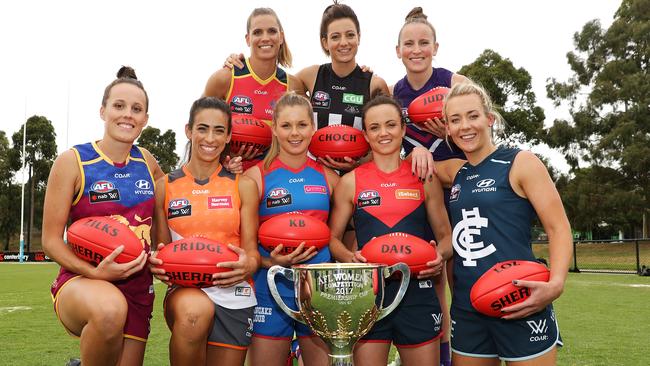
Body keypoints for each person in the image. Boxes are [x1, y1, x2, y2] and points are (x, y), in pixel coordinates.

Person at [433, 81, 571, 365]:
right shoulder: (456, 172)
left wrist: (556, 283)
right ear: (446, 128)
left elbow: (558, 228)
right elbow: (415, 166)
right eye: (455, 120)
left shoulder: (521, 162)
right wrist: (420, 153)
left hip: (521, 298)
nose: (465, 126)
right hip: (468, 305)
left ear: (489, 119)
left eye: (473, 116)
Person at [42, 66, 163, 366]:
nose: (127, 115)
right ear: (103, 111)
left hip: (137, 286)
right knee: (109, 310)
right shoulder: (73, 161)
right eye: (118, 106)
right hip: (83, 280)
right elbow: (50, 241)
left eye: (136, 109)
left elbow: (184, 187)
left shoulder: (147, 161)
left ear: (145, 120)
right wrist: (96, 273)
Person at [329, 95, 453, 366]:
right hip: (368, 295)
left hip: (418, 293)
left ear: (403, 128)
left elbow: (446, 237)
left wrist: (438, 256)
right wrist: (352, 259)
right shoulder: (350, 182)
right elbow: (333, 239)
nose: (383, 133)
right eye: (374, 127)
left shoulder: (424, 176)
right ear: (366, 134)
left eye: (390, 125)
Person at [150, 97, 260, 366]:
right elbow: (162, 251)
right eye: (202, 128)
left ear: (229, 136)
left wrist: (248, 264)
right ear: (189, 131)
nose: (210, 138)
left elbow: (252, 254)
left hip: (233, 291)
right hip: (187, 290)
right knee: (193, 314)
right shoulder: (165, 186)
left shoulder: (243, 186)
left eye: (219, 130)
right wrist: (157, 264)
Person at [225, 2, 391, 173]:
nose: (343, 42)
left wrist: (359, 164)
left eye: (350, 35)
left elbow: (388, 140)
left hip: (356, 179)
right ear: (325, 42)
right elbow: (270, 83)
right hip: (315, 179)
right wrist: (235, 63)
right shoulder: (309, 77)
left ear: (359, 37)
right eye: (335, 37)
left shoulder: (374, 84)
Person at [391, 8, 469, 365]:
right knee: (432, 277)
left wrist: (449, 131)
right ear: (398, 50)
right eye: (409, 43)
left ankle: (468, 351)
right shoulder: (396, 92)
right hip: (420, 195)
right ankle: (439, 356)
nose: (416, 49)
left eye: (424, 42)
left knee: (461, 282)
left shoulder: (454, 82)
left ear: (436, 46)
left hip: (459, 191)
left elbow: (486, 128)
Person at [244, 93, 339, 366]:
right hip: (269, 287)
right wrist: (270, 261)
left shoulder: (329, 177)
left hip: (318, 290)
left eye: (301, 125)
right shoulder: (255, 177)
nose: (294, 133)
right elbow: (245, 244)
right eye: (286, 126)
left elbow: (343, 233)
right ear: (274, 128)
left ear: (313, 127)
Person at [203, 7, 303, 170]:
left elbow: (301, 137)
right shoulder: (225, 78)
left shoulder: (292, 85)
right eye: (257, 32)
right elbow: (198, 130)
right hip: (229, 177)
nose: (265, 38)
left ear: (281, 37)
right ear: (248, 39)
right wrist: (225, 155)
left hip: (273, 179)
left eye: (272, 31)